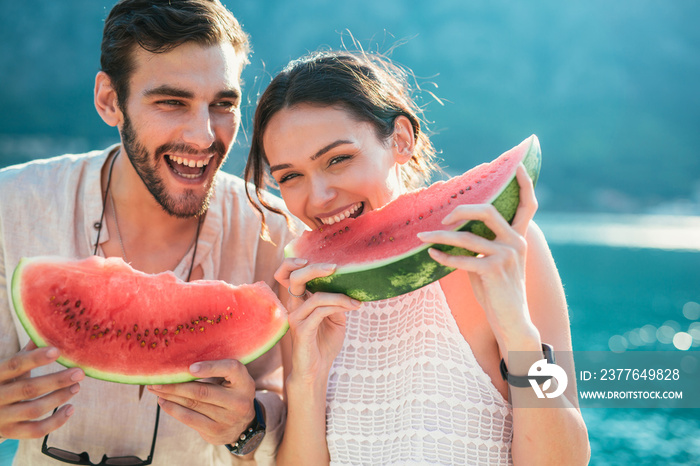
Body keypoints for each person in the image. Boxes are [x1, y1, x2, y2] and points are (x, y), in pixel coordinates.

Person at [245, 50, 591, 465]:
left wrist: (517, 332)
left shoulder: (502, 249)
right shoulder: (303, 286)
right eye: (290, 176)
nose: (317, 197)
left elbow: (567, 460)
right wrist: (307, 380)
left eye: (339, 159)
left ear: (402, 140)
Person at [0, 1, 299, 465]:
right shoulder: (12, 207)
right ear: (109, 101)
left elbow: (297, 408)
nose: (203, 137)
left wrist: (251, 425)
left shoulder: (274, 231)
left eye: (223, 104)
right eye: (172, 102)